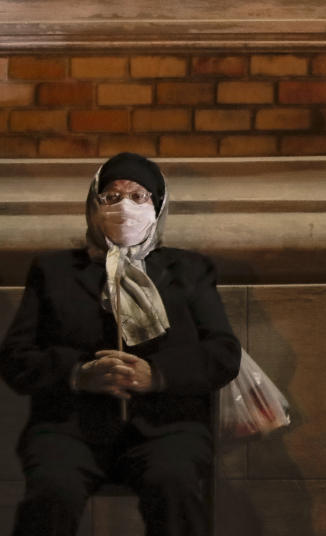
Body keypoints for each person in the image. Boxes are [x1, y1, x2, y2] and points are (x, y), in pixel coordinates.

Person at [0, 152, 242, 536]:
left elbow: (223, 353)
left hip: (166, 429)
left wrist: (157, 376)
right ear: (94, 204)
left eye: (138, 196)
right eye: (111, 197)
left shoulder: (187, 271)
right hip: (70, 429)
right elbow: (16, 358)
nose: (124, 207)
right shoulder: (55, 270)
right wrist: (78, 374)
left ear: (158, 206)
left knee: (174, 484)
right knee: (52, 491)